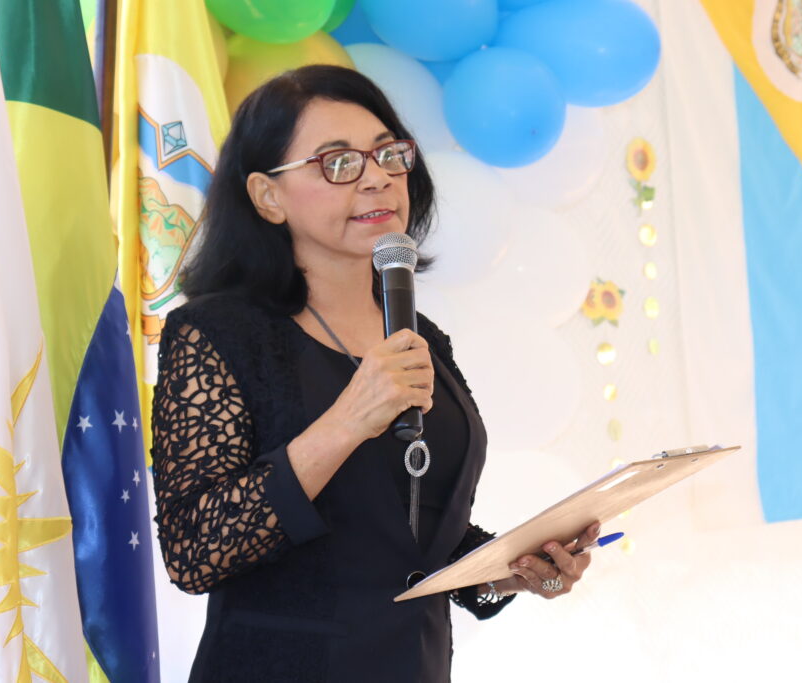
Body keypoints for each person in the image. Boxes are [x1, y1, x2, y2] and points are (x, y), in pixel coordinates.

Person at [151, 64, 600, 683]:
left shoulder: (420, 336)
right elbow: (194, 550)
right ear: (267, 196)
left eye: (389, 155)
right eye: (338, 162)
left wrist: (513, 572)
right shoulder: (216, 333)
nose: (377, 178)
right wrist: (346, 422)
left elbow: (411, 535)